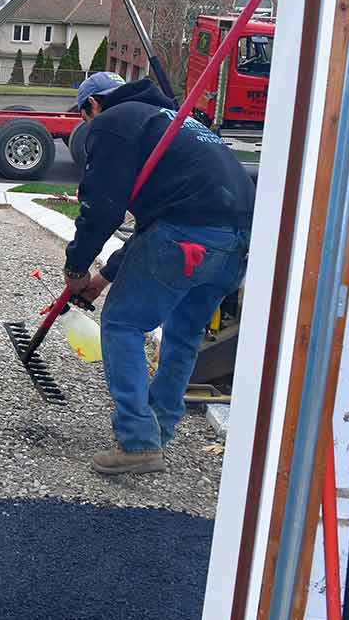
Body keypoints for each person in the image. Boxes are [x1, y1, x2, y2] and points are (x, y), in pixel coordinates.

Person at [61, 71, 255, 476]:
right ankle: (160, 429)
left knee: (122, 322)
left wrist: (76, 267)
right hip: (235, 240)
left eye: (84, 118)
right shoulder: (172, 119)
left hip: (186, 233)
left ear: (91, 106)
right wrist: (102, 277)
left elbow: (103, 207)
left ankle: (136, 441)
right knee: (183, 333)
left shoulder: (112, 122)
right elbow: (160, 220)